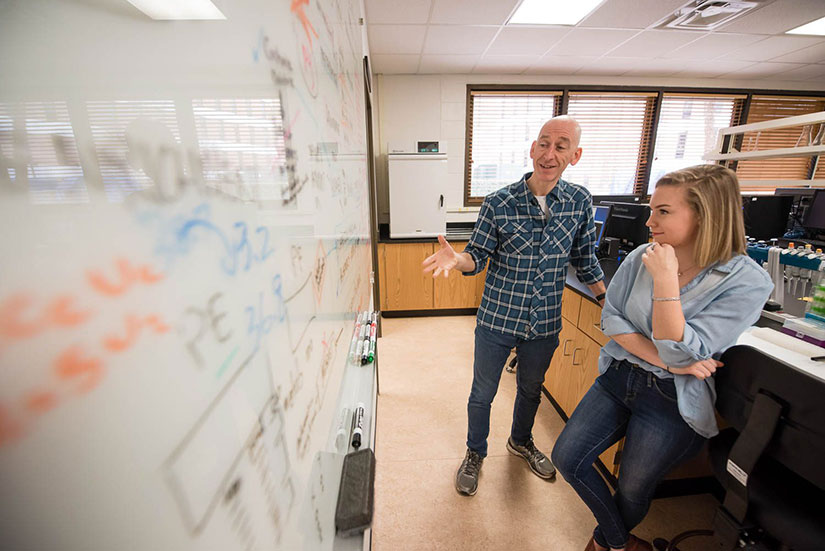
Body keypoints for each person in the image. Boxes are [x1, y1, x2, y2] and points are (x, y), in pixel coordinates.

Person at [551, 164, 773, 551]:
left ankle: (606, 543)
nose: (650, 220)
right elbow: (612, 318)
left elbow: (685, 347)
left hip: (672, 400)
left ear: (705, 215)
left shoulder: (748, 281)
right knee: (568, 458)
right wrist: (667, 361)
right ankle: (622, 543)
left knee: (634, 488)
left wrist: (667, 282)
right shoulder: (643, 255)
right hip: (620, 377)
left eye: (663, 211)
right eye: (651, 209)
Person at [422, 116, 607, 496]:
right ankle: (475, 453)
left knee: (531, 390)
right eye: (544, 143)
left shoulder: (579, 201)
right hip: (497, 319)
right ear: (532, 149)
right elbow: (477, 256)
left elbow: (585, 260)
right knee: (482, 393)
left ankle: (520, 442)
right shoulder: (499, 202)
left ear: (575, 155)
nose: (549, 153)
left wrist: (606, 300)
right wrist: (459, 261)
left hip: (543, 323)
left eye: (561, 145)